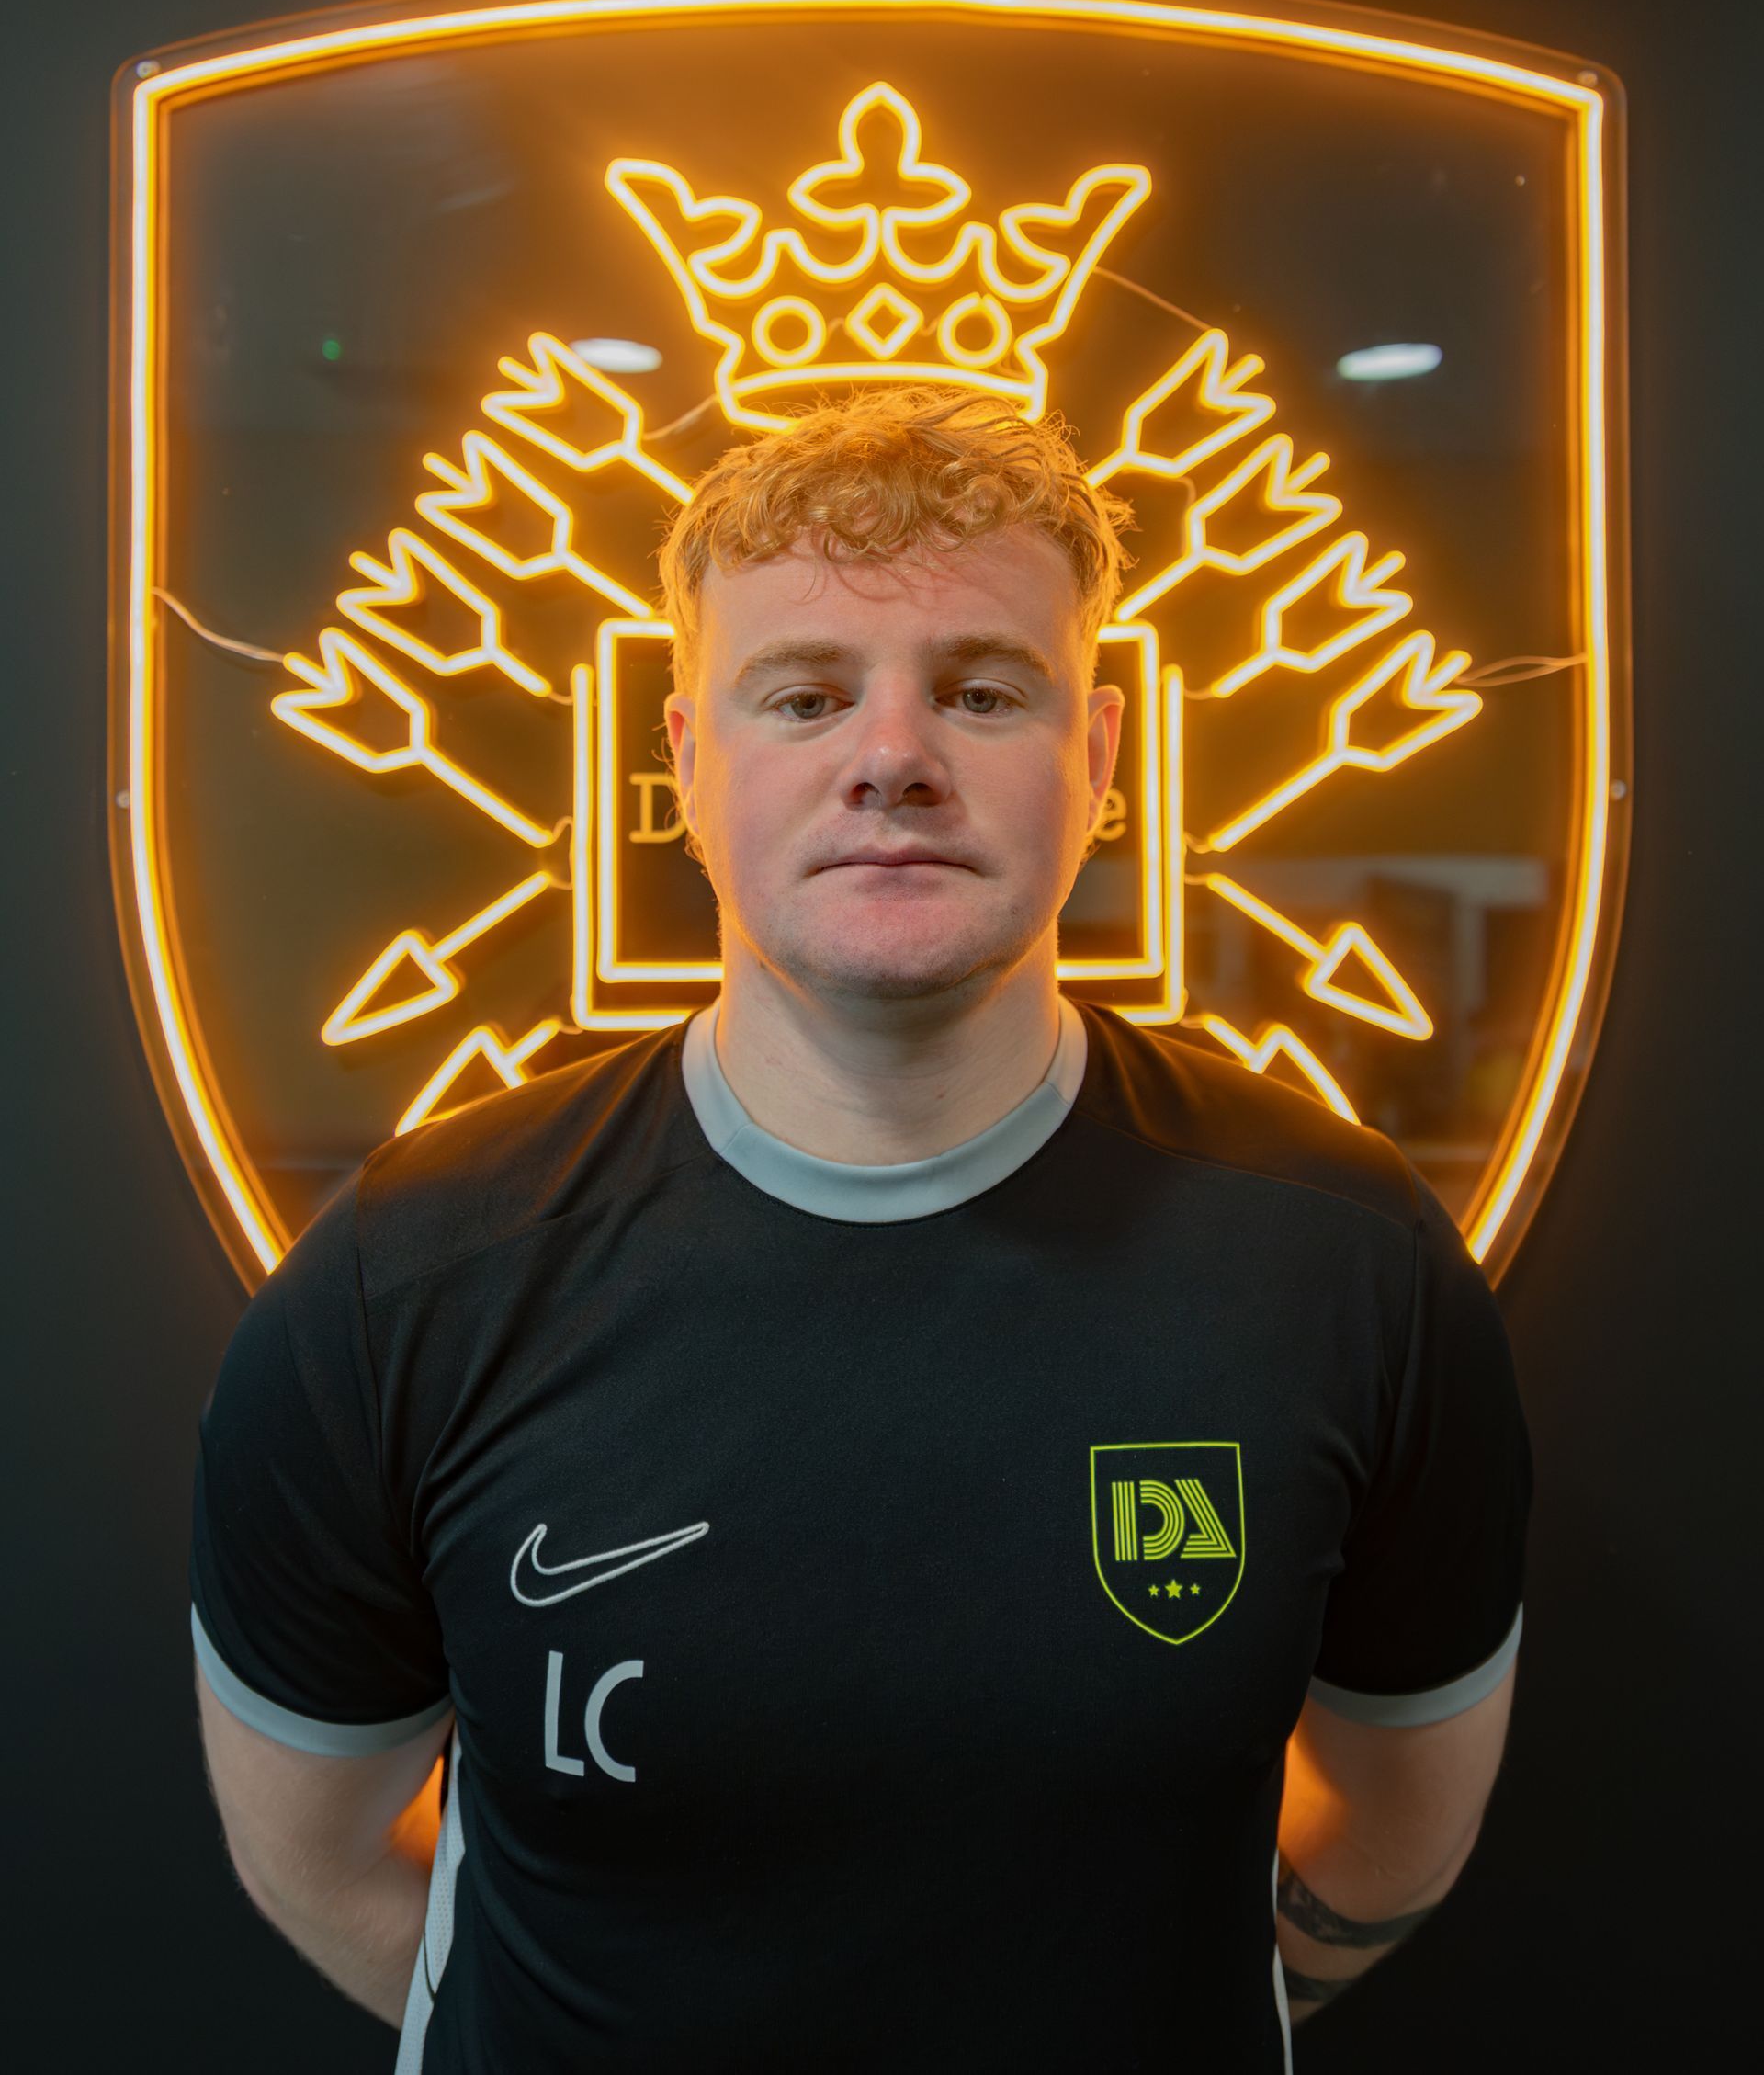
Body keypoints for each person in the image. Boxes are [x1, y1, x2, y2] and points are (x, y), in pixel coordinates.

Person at [192, 388, 1530, 2072]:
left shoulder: (1352, 1265)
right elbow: (309, 1848)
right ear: (683, 760)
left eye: (981, 689)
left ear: (1101, 761)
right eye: (806, 693)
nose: (892, 754)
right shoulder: (413, 1278)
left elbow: (1399, 1819)